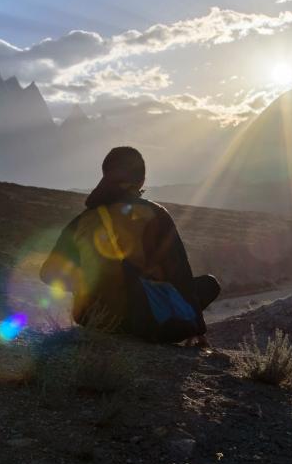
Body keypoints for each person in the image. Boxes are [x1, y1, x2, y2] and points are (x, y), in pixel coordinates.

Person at [40, 146, 220, 345]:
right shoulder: (156, 214)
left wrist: (88, 285)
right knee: (209, 284)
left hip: (91, 318)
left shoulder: (83, 219)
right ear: (141, 181)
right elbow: (180, 274)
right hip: (143, 322)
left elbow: (48, 273)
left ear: (105, 175)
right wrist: (197, 329)